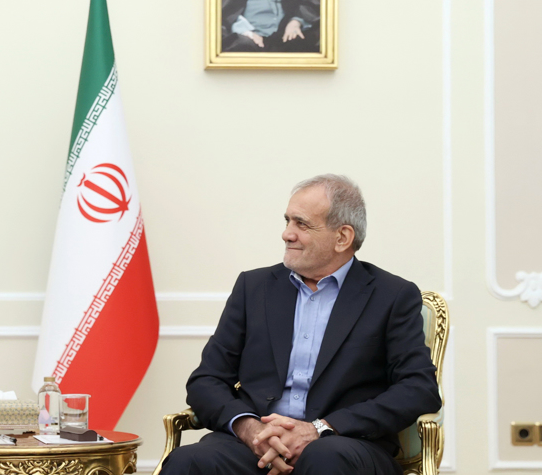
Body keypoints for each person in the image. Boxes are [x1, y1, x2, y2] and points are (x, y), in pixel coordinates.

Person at [160, 175, 441, 475]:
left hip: (344, 444)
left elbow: (418, 388)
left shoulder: (391, 296)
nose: (286, 234)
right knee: (187, 462)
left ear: (342, 238)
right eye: (287, 221)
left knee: (324, 458)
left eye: (301, 224)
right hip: (257, 443)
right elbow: (206, 380)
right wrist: (249, 428)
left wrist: (322, 428)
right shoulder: (254, 287)